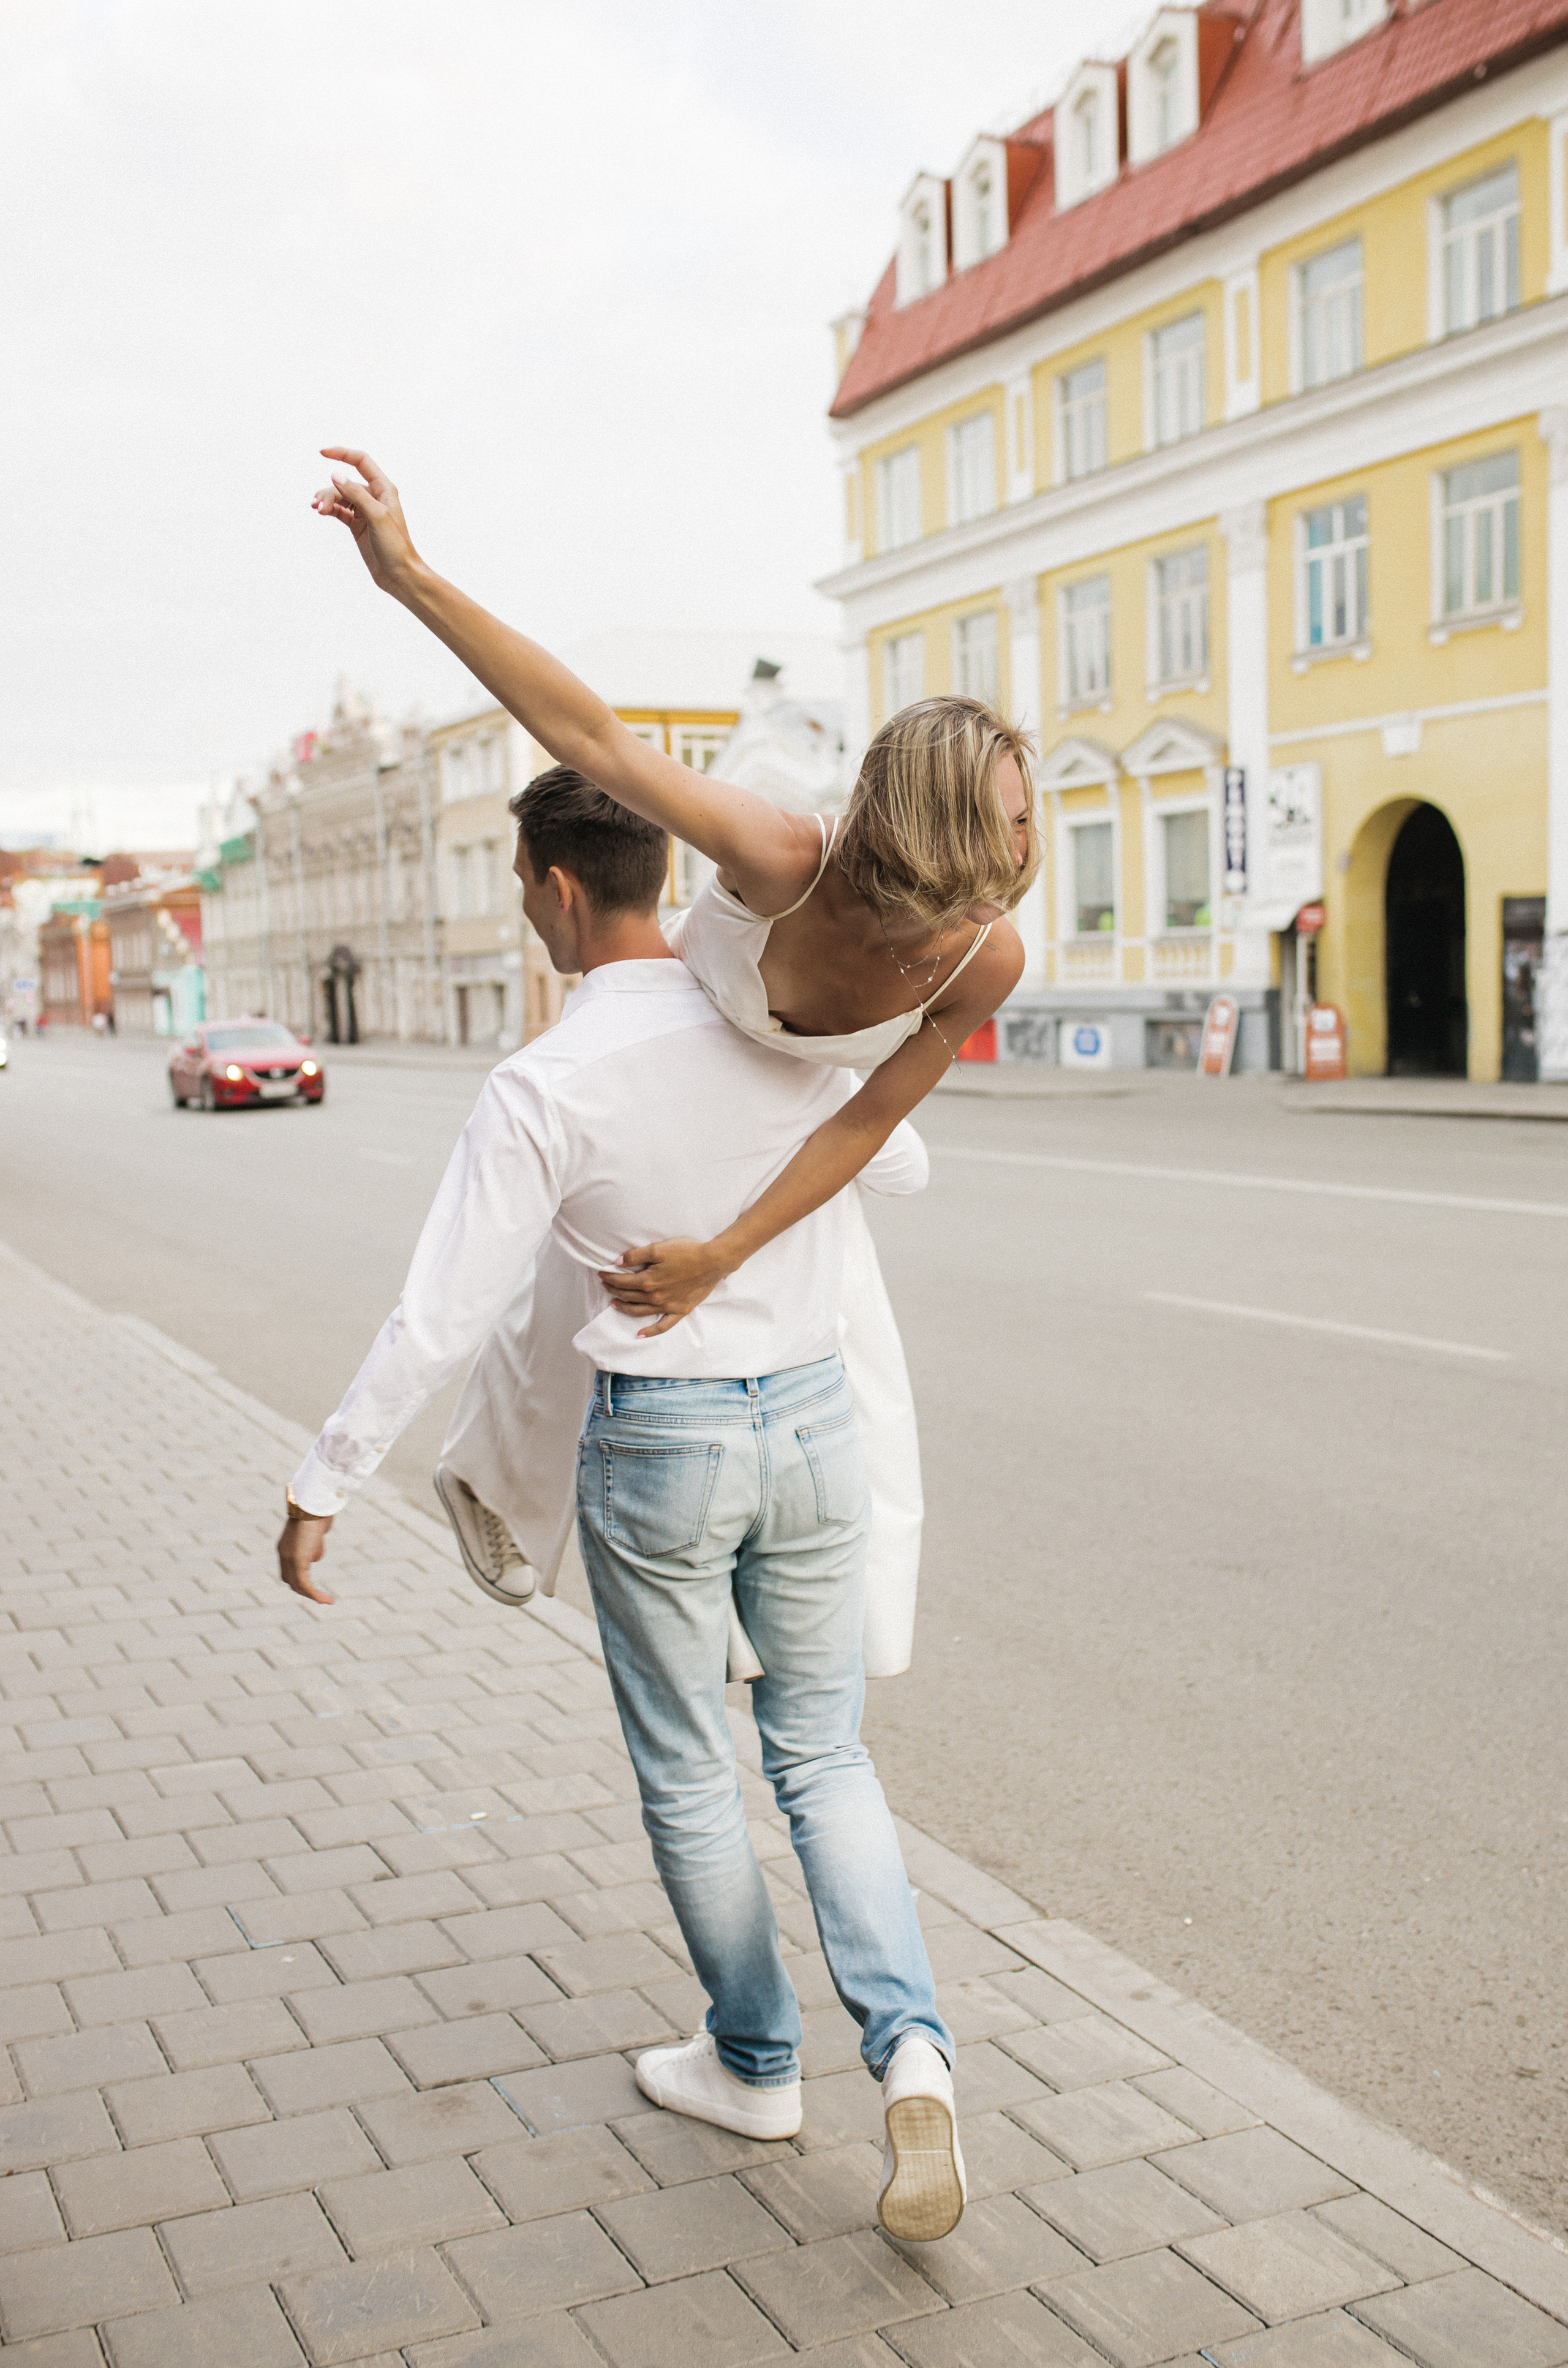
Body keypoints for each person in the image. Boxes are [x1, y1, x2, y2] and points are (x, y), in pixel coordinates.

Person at [277, 769, 967, 2241]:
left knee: (689, 1769)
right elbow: (899, 1160)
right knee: (822, 1755)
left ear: (554, 886)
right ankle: (911, 2050)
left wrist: (324, 1480)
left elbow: (441, 1311)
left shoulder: (546, 1081)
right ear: (656, 866)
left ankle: (754, 2062)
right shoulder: (770, 1019)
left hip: (662, 1440)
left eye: (521, 883)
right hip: (812, 1421)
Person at [312, 449, 1038, 1673]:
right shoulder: (782, 855)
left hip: (818, 1100)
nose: (1024, 846)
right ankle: (499, 1483)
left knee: (849, 1351)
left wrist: (726, 1253)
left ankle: (819, 1643)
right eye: (1005, 820)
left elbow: (861, 1124)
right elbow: (588, 733)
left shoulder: (987, 955)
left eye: (1025, 818)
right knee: (580, 1257)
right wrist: (408, 576)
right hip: (686, 1017)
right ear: (932, 824)